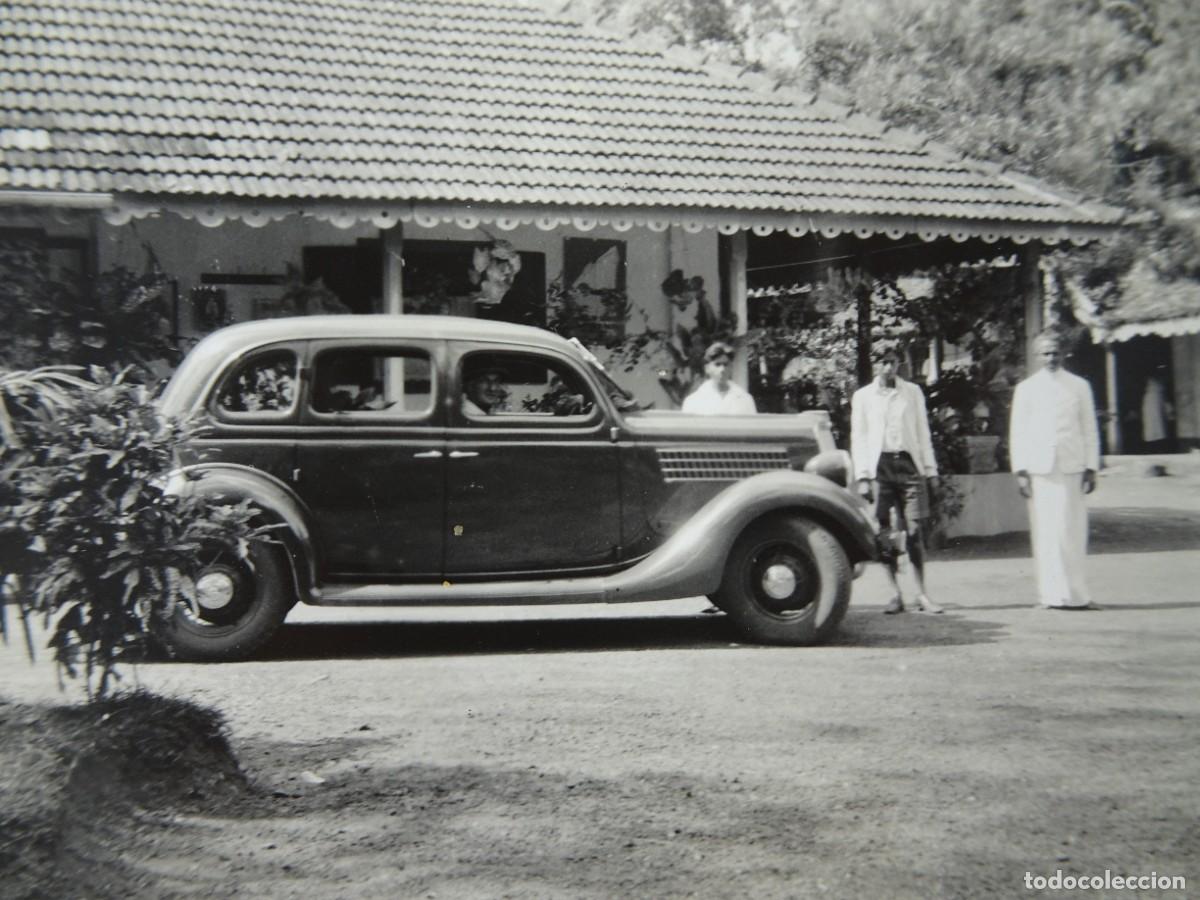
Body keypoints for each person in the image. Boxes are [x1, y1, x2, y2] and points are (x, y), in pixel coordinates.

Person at [1009, 331, 1101, 610]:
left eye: (1055, 352)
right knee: (1046, 532)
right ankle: (1050, 595)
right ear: (1037, 356)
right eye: (1045, 353)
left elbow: (1089, 428)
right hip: (1040, 468)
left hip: (1071, 465)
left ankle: (1078, 596)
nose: (1051, 358)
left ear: (1064, 354)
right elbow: (1018, 431)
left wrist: (1091, 467)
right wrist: (1021, 471)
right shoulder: (1026, 388)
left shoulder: (1079, 386)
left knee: (1073, 530)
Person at [850, 347, 942, 614]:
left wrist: (931, 470)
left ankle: (921, 594)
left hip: (908, 465)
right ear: (875, 364)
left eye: (892, 361)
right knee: (884, 533)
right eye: (883, 362)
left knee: (914, 531)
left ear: (899, 362)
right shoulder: (863, 396)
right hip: (879, 468)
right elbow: (859, 437)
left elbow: (923, 432)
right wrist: (863, 476)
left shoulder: (912, 392)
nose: (888, 367)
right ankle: (895, 594)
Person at [681, 342, 757, 414]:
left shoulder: (745, 399)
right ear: (707, 368)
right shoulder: (693, 401)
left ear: (731, 367)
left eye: (726, 364)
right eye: (717, 364)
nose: (722, 369)